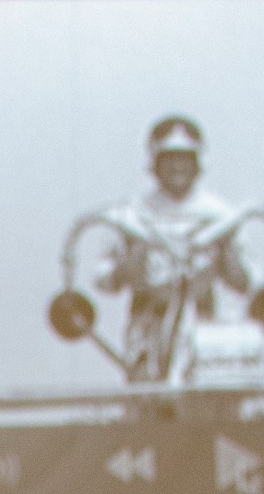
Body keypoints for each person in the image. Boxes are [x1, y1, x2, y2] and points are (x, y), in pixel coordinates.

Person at [94, 115, 251, 383]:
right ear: (154, 163)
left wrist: (227, 254)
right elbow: (104, 279)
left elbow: (246, 281)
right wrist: (131, 261)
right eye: (169, 158)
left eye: (185, 158)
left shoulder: (219, 215)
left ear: (197, 162)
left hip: (203, 321)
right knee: (147, 408)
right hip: (147, 322)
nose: (177, 166)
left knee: (207, 408)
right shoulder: (132, 213)